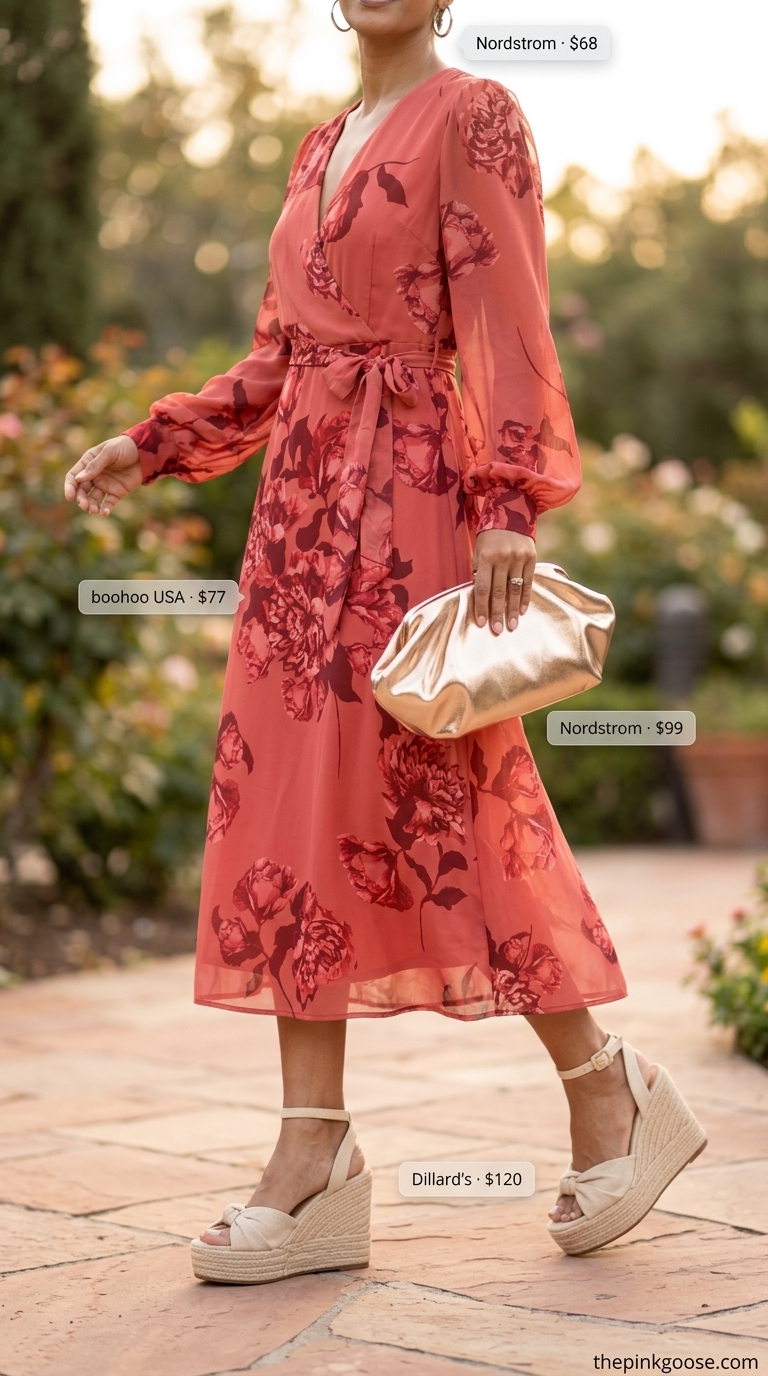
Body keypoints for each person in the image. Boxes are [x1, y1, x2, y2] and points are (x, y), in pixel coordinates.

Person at [64, 0, 705, 1280]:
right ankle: (314, 1154)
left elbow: (510, 318)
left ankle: (608, 1087)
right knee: (289, 817)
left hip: (409, 500)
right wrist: (157, 440)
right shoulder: (317, 145)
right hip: (296, 523)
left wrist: (509, 498)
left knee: (446, 803)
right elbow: (281, 355)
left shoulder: (477, 113)